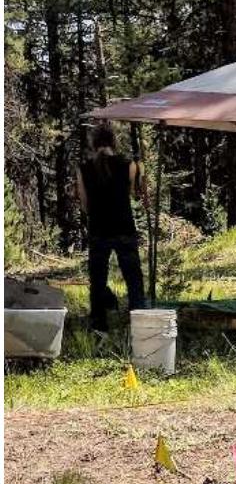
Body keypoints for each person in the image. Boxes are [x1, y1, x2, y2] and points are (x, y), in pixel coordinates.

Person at [76, 123, 148, 332]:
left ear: (94, 143)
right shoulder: (129, 165)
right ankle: (140, 324)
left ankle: (99, 326)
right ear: (113, 142)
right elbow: (136, 194)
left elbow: (85, 204)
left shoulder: (83, 168)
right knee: (134, 279)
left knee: (97, 280)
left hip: (98, 229)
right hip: (124, 227)